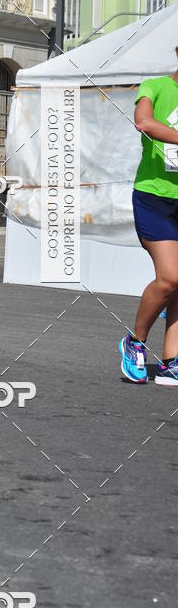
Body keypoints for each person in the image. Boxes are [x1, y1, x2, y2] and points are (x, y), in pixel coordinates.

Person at [120, 62, 178, 385]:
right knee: (170, 278)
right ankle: (135, 341)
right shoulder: (154, 86)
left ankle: (171, 362)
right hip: (154, 197)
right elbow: (144, 122)